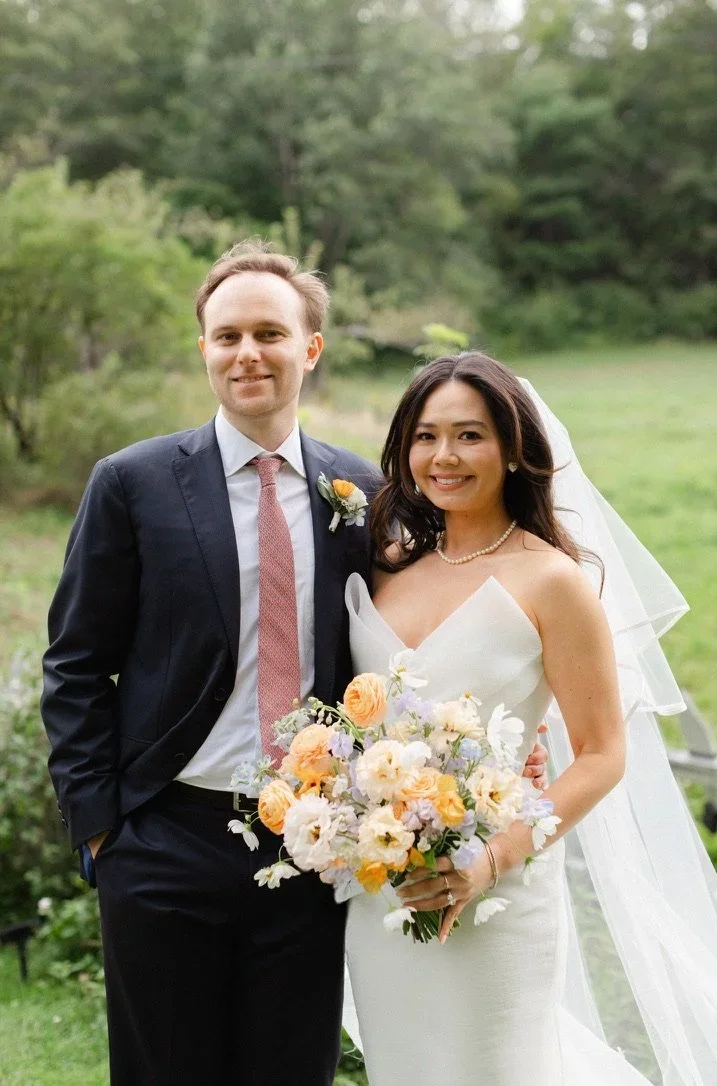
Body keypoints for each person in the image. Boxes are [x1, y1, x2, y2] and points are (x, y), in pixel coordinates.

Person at [40, 242, 549, 1085]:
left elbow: (417, 638)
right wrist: (102, 831)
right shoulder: (131, 484)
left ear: (309, 348)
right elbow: (76, 664)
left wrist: (507, 737)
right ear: (203, 347)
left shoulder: (367, 493)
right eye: (227, 335)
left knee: (292, 1069)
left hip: (315, 844)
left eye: (269, 333)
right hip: (163, 833)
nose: (248, 353)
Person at [341, 352, 717, 1085]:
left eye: (470, 436)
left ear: (515, 450)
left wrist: (488, 858)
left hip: (496, 893)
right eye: (425, 436)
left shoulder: (553, 580)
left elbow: (603, 753)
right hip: (383, 890)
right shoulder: (385, 565)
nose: (443, 456)